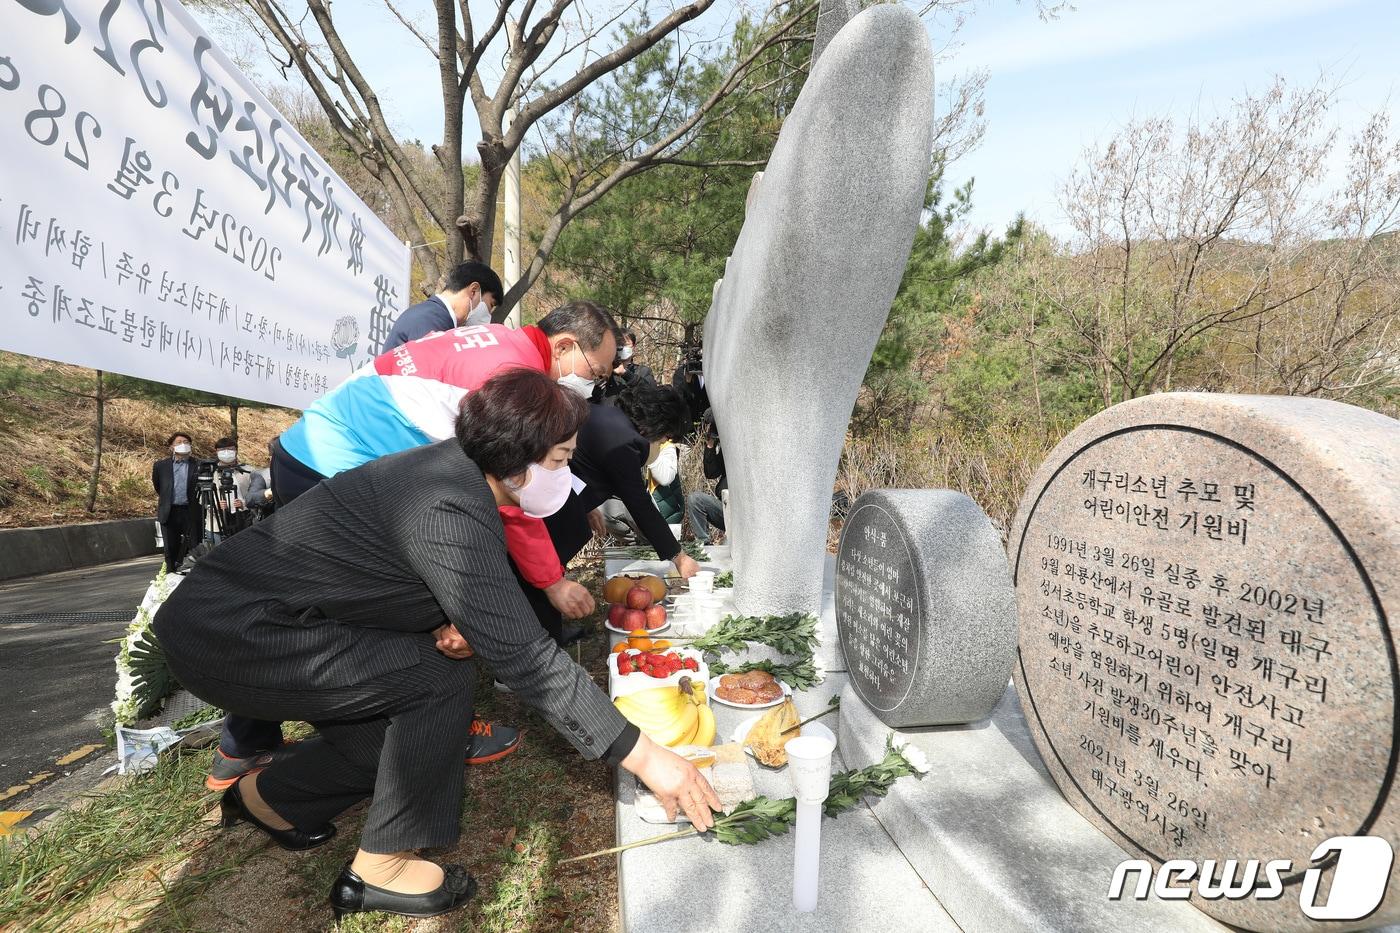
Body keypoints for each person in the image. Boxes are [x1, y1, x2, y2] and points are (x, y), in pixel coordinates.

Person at [152, 369, 720, 923]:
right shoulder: (446, 505)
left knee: (404, 746)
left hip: (253, 619)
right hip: (234, 634)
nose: (564, 475)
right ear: (517, 457)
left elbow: (376, 575)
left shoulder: (452, 474)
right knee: (435, 678)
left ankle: (272, 798)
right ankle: (384, 866)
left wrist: (445, 619)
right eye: (559, 460)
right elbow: (527, 660)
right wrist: (647, 758)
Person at [208, 301, 618, 790]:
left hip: (308, 448)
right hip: (339, 460)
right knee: (409, 599)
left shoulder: (501, 342)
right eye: (597, 371)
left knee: (310, 605)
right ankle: (437, 729)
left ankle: (243, 742)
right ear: (567, 346)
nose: (596, 383)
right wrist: (550, 583)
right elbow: (511, 492)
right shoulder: (514, 374)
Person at [526, 384, 699, 641]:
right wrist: (678, 556)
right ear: (657, 425)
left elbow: (582, 467)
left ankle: (551, 631)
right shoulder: (626, 441)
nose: (662, 443)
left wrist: (588, 505)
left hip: (554, 499)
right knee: (540, 577)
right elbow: (639, 503)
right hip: (548, 513)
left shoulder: (605, 413)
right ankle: (537, 647)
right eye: (664, 437)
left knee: (545, 575)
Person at [380, 261, 504, 353]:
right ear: (474, 291)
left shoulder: (432, 315)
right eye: (490, 305)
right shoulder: (431, 321)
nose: (489, 316)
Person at [152, 432, 201, 573]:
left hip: (190, 511)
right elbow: (159, 486)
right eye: (179, 442)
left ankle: (195, 576)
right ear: (171, 447)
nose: (183, 445)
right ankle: (170, 576)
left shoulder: (197, 464)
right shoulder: (160, 466)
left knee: (194, 546)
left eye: (186, 442)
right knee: (170, 548)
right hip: (169, 511)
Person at [203, 437, 269, 543]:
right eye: (222, 450)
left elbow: (258, 494)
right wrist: (216, 506)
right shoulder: (209, 472)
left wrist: (244, 503)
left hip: (245, 519)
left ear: (236, 450)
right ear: (216, 452)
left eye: (230, 449)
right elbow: (202, 498)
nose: (226, 453)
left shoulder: (248, 470)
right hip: (217, 522)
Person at [686, 408, 726, 545]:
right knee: (695, 499)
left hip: (740, 509)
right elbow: (711, 474)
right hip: (725, 508)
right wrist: (710, 445)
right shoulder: (722, 444)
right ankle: (704, 543)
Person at [594, 330, 655, 400]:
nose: (621, 347)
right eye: (618, 344)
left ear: (634, 346)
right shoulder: (602, 371)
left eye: (626, 344)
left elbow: (653, 394)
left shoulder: (643, 371)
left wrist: (626, 374)